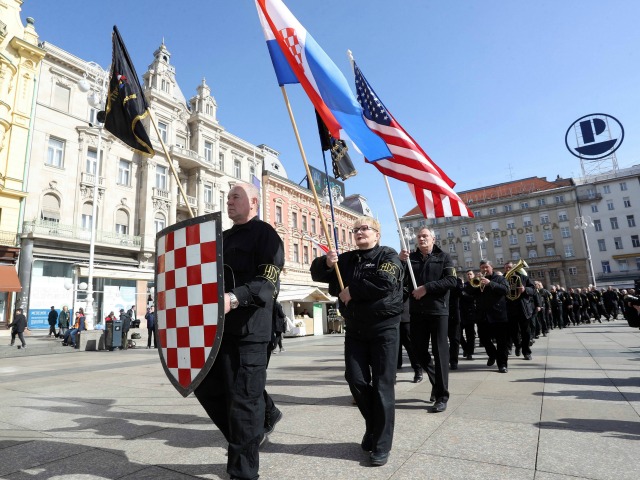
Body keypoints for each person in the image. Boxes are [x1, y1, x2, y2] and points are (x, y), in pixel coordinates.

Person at [193, 182, 284, 480]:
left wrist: (234, 297)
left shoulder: (266, 235)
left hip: (251, 330)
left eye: (236, 196)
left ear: (254, 202)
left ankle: (243, 472)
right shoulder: (220, 237)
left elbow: (268, 281)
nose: (229, 201)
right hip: (217, 330)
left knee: (243, 401)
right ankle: (263, 417)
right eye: (228, 197)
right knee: (205, 385)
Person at [311, 216, 403, 467]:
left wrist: (353, 290)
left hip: (384, 327)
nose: (360, 232)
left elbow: (385, 282)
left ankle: (381, 444)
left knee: (383, 385)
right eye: (356, 229)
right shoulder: (348, 259)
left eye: (365, 229)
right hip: (355, 328)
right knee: (356, 379)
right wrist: (327, 263)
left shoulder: (388, 255)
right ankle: (373, 426)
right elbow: (317, 274)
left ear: (377, 234)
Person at [400, 227, 457, 414]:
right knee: (418, 351)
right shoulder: (411, 259)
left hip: (438, 310)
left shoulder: (444, 257)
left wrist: (427, 288)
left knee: (441, 353)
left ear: (433, 238)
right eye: (419, 236)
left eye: (425, 236)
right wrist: (400, 262)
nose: (421, 239)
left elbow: (451, 281)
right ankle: (436, 382)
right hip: (417, 312)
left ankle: (442, 396)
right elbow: (401, 281)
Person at [465, 260, 510, 373]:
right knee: (484, 339)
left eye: (486, 267)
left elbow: (506, 290)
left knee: (501, 342)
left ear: (492, 267)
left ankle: (502, 364)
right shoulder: (478, 279)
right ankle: (492, 354)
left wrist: (490, 283)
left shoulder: (500, 278)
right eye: (482, 268)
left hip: (498, 314)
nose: (484, 269)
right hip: (482, 315)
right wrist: (474, 282)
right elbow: (468, 292)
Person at [504, 261, 535, 360]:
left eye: (509, 267)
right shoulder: (502, 278)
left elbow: (533, 289)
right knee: (513, 331)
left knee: (526, 331)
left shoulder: (523, 277)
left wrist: (525, 289)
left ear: (514, 268)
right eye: (506, 268)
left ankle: (526, 352)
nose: (508, 269)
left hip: (523, 308)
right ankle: (518, 346)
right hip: (509, 308)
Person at [397, 296, 422, 383]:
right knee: (391, 346)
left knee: (410, 345)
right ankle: (393, 371)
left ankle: (418, 369)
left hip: (404, 314)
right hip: (390, 314)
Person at [459, 270, 477, 359]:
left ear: (473, 275)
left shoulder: (476, 284)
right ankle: (466, 348)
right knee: (458, 333)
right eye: (468, 274)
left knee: (470, 334)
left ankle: (470, 352)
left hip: (470, 312)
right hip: (461, 312)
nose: (469, 275)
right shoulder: (464, 285)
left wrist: (464, 294)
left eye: (470, 274)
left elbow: (474, 298)